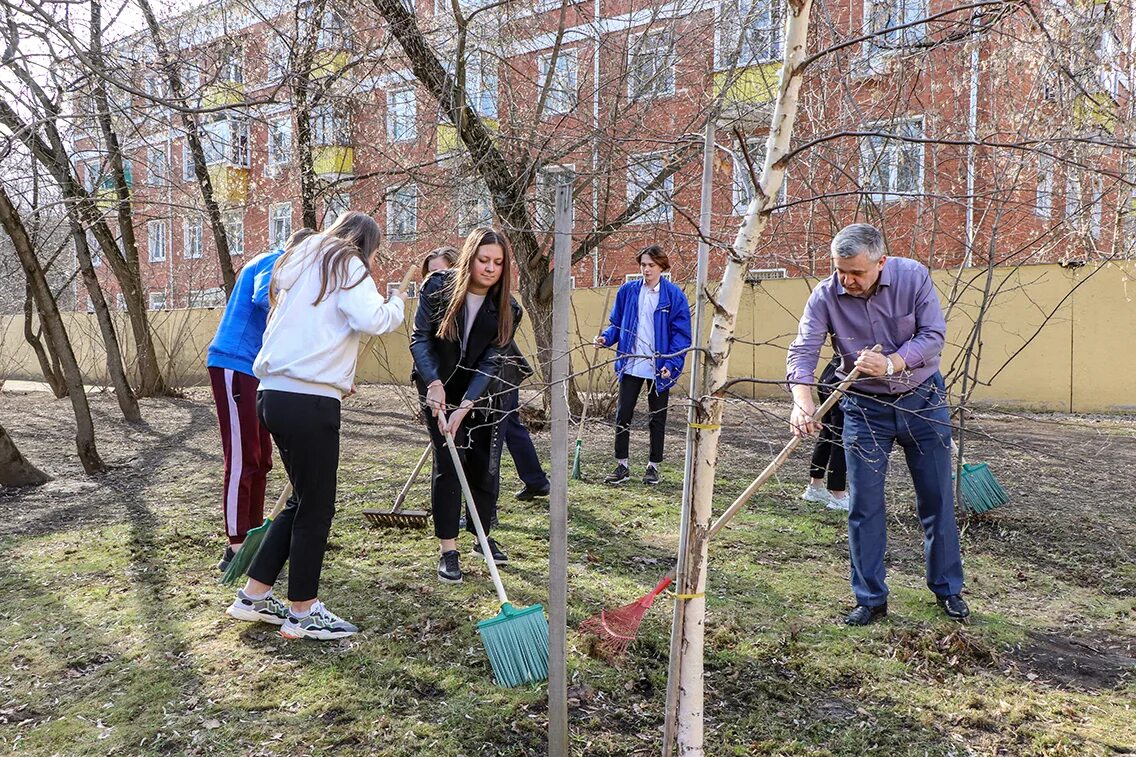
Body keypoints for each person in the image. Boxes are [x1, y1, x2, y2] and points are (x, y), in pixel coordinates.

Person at [225, 211, 408, 640]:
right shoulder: (345, 262)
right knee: (318, 505)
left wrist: (335, 374)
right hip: (308, 400)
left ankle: (252, 595)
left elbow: (315, 332)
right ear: (366, 244)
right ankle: (303, 611)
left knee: (302, 500)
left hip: (272, 394)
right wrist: (397, 299)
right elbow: (374, 320)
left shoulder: (301, 263)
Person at [786, 222, 968, 626]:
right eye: (839, 270)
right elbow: (802, 352)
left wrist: (892, 363)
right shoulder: (824, 296)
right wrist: (802, 405)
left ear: (880, 262)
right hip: (865, 409)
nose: (846, 280)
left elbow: (933, 335)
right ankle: (870, 599)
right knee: (864, 505)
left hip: (923, 401)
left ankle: (948, 590)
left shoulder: (913, 276)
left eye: (856, 272)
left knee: (936, 500)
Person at [410, 227, 522, 584]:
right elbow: (420, 338)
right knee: (448, 460)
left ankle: (483, 535)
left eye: (498, 263)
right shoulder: (438, 287)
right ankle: (448, 549)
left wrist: (467, 404)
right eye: (483, 260)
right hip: (436, 385)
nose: (490, 268)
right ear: (470, 258)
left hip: (483, 390)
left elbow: (493, 360)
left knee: (484, 463)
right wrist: (435, 384)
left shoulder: (508, 308)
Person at [206, 228, 314, 572]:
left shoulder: (280, 264)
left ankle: (252, 534)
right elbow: (263, 297)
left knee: (261, 457)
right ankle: (236, 544)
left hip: (257, 370)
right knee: (241, 456)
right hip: (234, 364)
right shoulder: (272, 261)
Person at [421, 246, 549, 506]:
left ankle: (509, 498)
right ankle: (534, 480)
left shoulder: (491, 302)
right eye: (431, 273)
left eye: (442, 270)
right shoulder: (440, 300)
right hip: (470, 380)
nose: (435, 278)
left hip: (498, 375)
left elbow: (492, 350)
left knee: (498, 436)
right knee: (501, 431)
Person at [594, 245, 691, 486]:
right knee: (623, 414)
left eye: (651, 265)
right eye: (643, 265)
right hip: (631, 363)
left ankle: (653, 467)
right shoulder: (627, 291)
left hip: (660, 367)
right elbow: (617, 324)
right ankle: (622, 465)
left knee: (657, 418)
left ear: (661, 267)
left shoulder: (673, 295)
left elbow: (681, 335)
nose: (646, 269)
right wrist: (606, 338)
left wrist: (672, 363)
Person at [801, 355, 849, 511]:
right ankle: (838, 495)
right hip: (841, 380)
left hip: (828, 376)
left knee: (828, 432)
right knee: (840, 437)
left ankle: (815, 487)